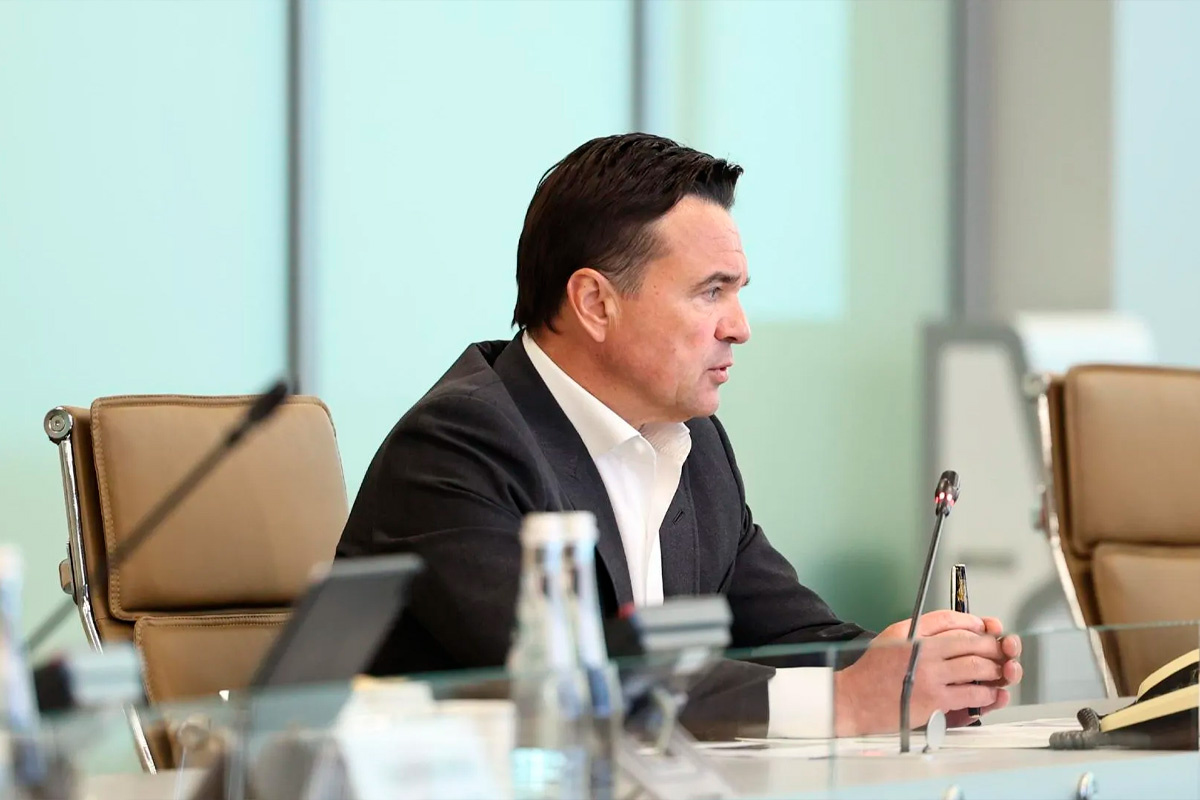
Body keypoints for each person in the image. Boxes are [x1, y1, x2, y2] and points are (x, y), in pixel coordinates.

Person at [336, 133, 1021, 737]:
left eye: (739, 291)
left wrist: (919, 673)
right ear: (595, 303)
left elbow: (789, 635)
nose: (739, 326)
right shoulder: (458, 446)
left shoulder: (694, 443)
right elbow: (573, 681)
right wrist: (846, 702)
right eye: (710, 292)